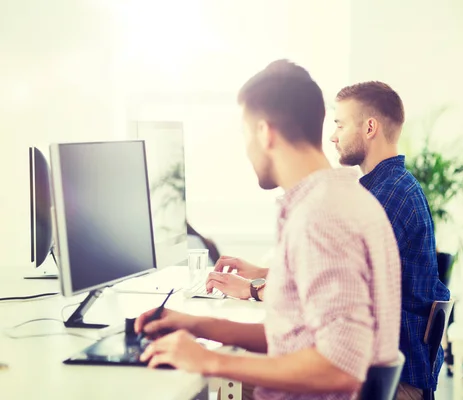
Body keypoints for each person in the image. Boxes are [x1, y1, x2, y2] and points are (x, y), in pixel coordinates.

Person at [135, 60, 401, 400]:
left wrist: (210, 360)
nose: (246, 149)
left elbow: (340, 367)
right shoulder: (339, 197)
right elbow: (299, 337)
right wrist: (197, 325)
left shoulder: (320, 216)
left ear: (264, 132)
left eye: (246, 134)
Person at [209, 81, 451, 399]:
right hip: (390, 370)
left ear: (369, 127)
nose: (333, 136)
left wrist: (253, 290)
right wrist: (263, 275)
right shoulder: (390, 187)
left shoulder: (384, 197)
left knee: (219, 382)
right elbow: (342, 276)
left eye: (339, 124)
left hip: (393, 384)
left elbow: (342, 304)